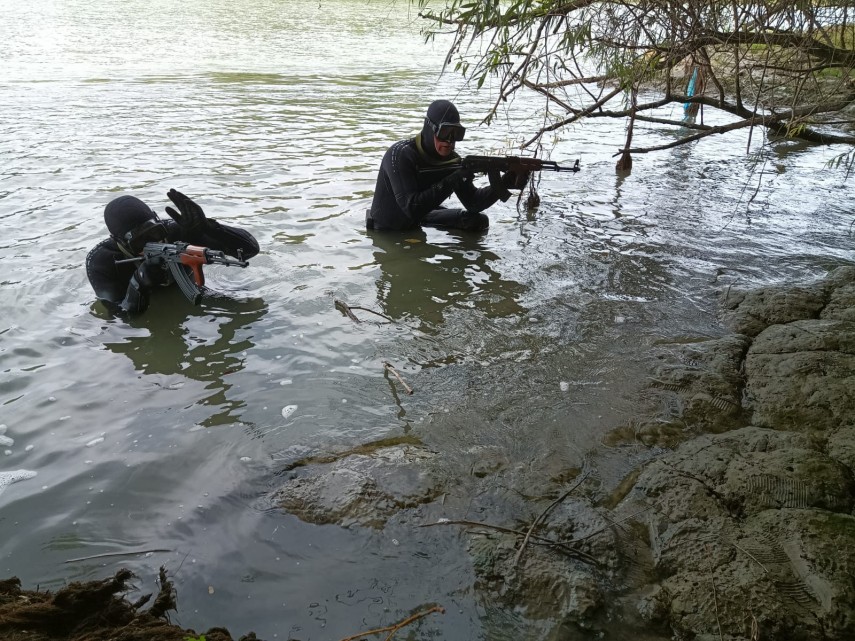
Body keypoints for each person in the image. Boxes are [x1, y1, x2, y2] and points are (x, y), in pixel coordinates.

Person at [366, 99, 530, 232]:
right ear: (430, 129)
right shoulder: (401, 155)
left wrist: (505, 182)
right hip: (386, 231)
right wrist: (456, 178)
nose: (450, 140)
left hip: (418, 221)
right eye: (445, 132)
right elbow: (411, 208)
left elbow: (474, 203)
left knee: (476, 222)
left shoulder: (453, 162)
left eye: (457, 134)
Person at [86, 189, 259, 313]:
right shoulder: (101, 261)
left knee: (252, 309)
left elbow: (249, 251)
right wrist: (139, 283)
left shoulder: (179, 231)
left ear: (159, 221)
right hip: (146, 308)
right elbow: (120, 316)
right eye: (140, 242)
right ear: (118, 242)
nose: (155, 242)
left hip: (194, 293)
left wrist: (211, 229)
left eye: (156, 232)